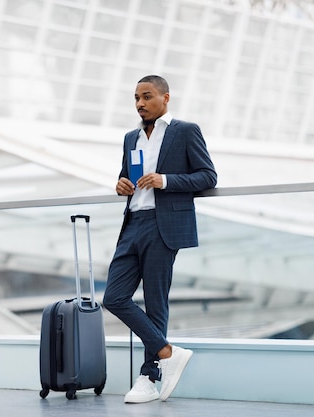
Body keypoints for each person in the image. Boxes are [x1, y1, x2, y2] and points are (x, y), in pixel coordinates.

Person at [102, 75, 217, 404]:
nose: (140, 103)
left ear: (166, 98)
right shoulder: (130, 137)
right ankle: (168, 352)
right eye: (136, 97)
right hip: (132, 223)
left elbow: (208, 176)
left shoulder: (184, 131)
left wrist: (165, 180)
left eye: (147, 96)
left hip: (163, 224)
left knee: (155, 301)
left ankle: (149, 376)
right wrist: (120, 184)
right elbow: (128, 175)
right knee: (114, 297)